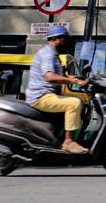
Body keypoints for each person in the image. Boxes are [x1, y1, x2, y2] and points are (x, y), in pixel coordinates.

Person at [26, 26, 89, 154]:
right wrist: (73, 81)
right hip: (41, 96)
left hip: (47, 95)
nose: (66, 42)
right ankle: (68, 142)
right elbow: (49, 76)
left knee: (77, 100)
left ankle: (59, 138)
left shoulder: (53, 54)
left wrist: (78, 78)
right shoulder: (48, 54)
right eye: (64, 39)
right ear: (55, 39)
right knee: (74, 103)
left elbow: (60, 75)